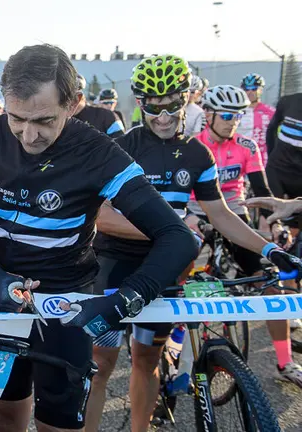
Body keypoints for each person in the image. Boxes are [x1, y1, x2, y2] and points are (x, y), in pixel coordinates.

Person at [0, 44, 200, 432]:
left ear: (74, 103)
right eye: (17, 118)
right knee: (6, 416)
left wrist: (121, 302)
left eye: (44, 120)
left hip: (68, 305)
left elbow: (178, 237)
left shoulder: (98, 152)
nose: (29, 134)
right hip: (2, 295)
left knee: (56, 425)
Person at [88, 56, 302, 432]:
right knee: (102, 364)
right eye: (153, 104)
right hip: (115, 263)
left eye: (172, 102)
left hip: (164, 268)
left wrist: (269, 250)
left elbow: (220, 215)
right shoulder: (122, 147)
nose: (164, 114)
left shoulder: (197, 153)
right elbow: (101, 217)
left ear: (187, 99)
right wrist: (168, 232)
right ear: (140, 102)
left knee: (146, 360)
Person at [190, 84, 302, 382]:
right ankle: (176, 356)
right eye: (227, 115)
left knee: (270, 285)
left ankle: (285, 362)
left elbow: (263, 192)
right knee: (182, 282)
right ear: (210, 115)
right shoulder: (192, 146)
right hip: (196, 214)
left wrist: (275, 223)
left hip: (235, 213)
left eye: (238, 116)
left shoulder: (246, 145)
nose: (233, 122)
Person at [237, 73, 276, 166]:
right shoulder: (236, 110)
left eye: (254, 89)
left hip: (262, 161)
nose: (250, 92)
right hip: (239, 158)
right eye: (246, 89)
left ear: (261, 90)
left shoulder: (271, 112)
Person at [73, 74, 124, 138]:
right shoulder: (61, 118)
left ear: (79, 97)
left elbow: (121, 142)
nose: (109, 105)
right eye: (105, 103)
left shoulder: (108, 116)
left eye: (111, 103)